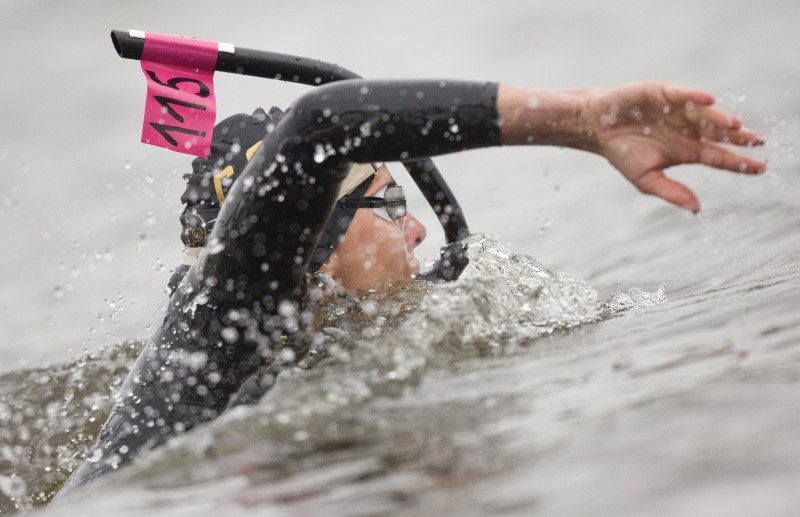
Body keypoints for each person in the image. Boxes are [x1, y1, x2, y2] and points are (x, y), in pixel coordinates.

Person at [57, 79, 764, 494]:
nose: (420, 230)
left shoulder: (222, 365)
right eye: (391, 202)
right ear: (314, 249)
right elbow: (321, 121)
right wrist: (581, 121)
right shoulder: (221, 329)